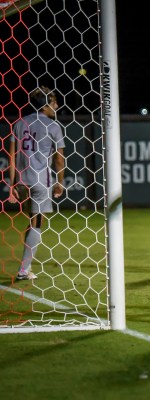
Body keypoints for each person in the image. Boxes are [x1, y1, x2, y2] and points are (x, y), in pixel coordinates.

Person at [8, 86, 66, 281]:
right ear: (46, 104)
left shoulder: (19, 123)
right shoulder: (53, 126)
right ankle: (23, 270)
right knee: (37, 224)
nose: (57, 106)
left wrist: (12, 184)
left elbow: (12, 157)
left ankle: (26, 266)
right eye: (54, 102)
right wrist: (60, 182)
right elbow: (59, 159)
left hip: (23, 181)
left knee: (33, 220)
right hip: (41, 181)